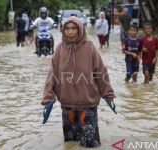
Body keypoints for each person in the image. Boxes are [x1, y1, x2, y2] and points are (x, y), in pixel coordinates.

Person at [41, 16, 115, 148]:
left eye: (74, 28)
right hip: (67, 106)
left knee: (90, 144)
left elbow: (101, 73)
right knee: (70, 144)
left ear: (80, 30)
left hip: (88, 105)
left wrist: (108, 95)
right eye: (67, 29)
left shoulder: (90, 48)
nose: (70, 32)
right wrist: (48, 99)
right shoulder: (59, 49)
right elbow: (52, 74)